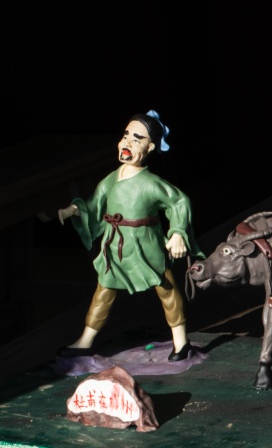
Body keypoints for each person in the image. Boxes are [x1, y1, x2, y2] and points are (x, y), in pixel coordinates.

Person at [57, 110, 204, 361]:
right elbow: (95, 203)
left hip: (146, 244)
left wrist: (178, 233)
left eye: (137, 139)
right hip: (116, 244)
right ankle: (85, 341)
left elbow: (179, 202)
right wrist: (76, 209)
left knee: (166, 289)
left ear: (150, 147)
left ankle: (181, 342)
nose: (127, 143)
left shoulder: (152, 183)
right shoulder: (113, 178)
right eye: (126, 135)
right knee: (103, 292)